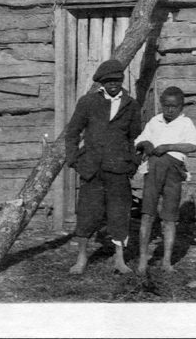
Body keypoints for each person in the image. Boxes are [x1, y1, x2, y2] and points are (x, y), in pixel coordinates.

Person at [63, 59, 142, 275]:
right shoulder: (88, 102)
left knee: (119, 214)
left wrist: (132, 163)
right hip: (92, 169)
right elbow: (72, 133)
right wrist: (74, 160)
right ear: (102, 83)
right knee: (87, 213)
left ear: (122, 80)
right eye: (108, 81)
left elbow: (137, 138)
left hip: (118, 170)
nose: (113, 84)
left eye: (117, 80)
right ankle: (81, 258)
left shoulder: (131, 105)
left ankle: (119, 259)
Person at [134, 86, 196, 273]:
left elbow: (193, 146)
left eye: (174, 106)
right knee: (147, 215)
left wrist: (168, 146)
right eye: (166, 106)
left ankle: (166, 261)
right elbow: (139, 141)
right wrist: (145, 143)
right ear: (161, 104)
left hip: (173, 171)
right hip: (154, 169)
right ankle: (142, 261)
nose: (170, 110)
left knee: (170, 218)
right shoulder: (154, 122)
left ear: (181, 106)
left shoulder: (185, 123)